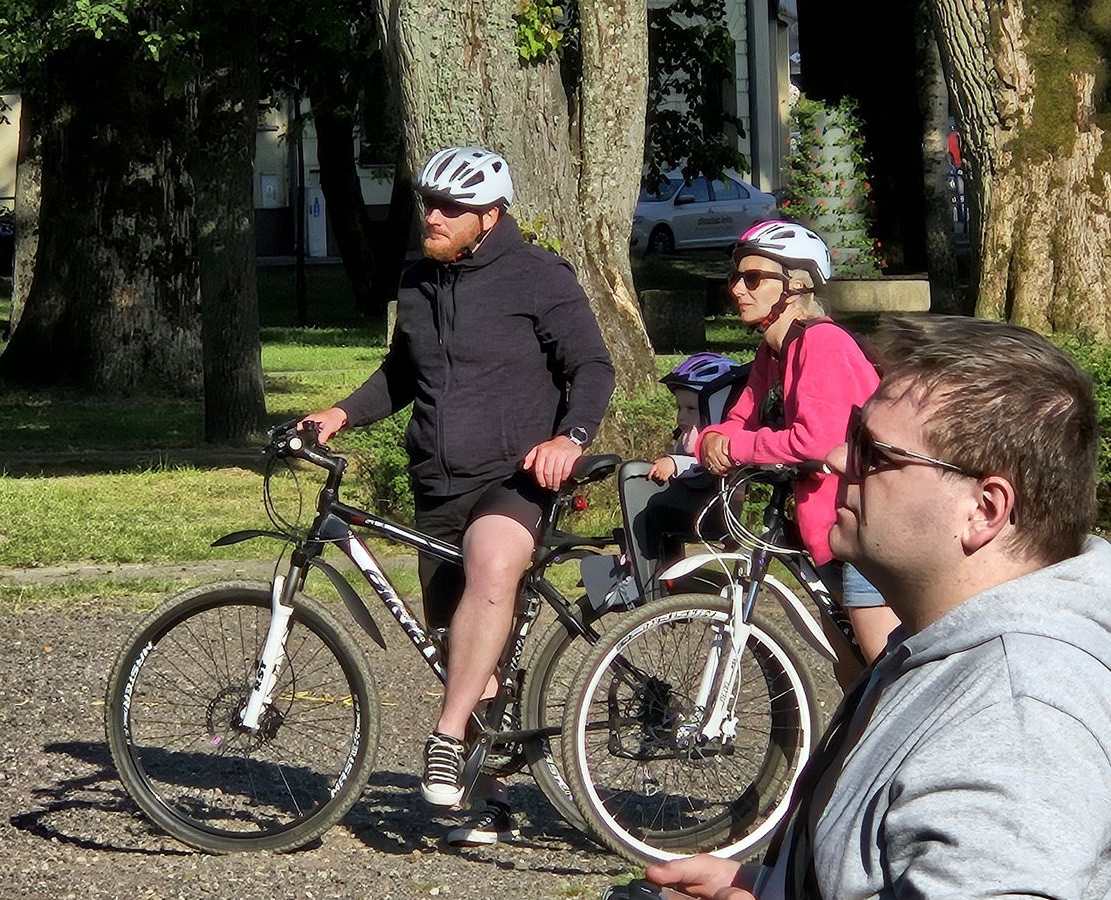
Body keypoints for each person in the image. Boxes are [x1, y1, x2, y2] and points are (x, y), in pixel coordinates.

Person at [646, 314, 1111, 898]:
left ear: (984, 510)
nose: (838, 459)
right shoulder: (939, 643)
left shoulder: (1016, 717)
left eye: (874, 451)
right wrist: (771, 886)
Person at [299, 145, 615, 846]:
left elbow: (592, 365)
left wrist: (570, 438)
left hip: (515, 477)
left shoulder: (539, 277)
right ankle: (491, 799)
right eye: (428, 203)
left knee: (492, 561)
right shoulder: (418, 278)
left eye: (450, 208)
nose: (432, 217)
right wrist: (341, 413)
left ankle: (444, 735)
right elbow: (401, 372)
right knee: (459, 648)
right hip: (437, 481)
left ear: (489, 216)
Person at [697, 220, 898, 681]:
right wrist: (713, 438)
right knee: (850, 671)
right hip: (826, 524)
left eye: (753, 279)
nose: (737, 290)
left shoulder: (822, 342)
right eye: (735, 277)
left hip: (867, 521)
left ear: (797, 286)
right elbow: (739, 419)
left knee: (882, 666)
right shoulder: (774, 351)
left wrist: (736, 446)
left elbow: (816, 440)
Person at [617, 353, 748, 602]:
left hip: (707, 507)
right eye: (679, 408)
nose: (681, 417)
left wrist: (675, 464)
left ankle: (650, 580)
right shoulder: (688, 436)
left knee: (651, 508)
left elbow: (707, 464)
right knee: (655, 516)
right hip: (696, 502)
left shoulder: (715, 442)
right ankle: (658, 571)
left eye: (691, 409)